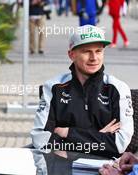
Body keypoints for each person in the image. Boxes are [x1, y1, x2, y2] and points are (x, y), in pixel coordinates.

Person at [30, 25, 134, 158]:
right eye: (86, 51)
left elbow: (119, 144)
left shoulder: (118, 88)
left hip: (105, 169)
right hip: (61, 169)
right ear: (71, 55)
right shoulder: (53, 87)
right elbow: (41, 141)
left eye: (98, 51)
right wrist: (100, 136)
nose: (94, 58)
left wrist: (67, 133)